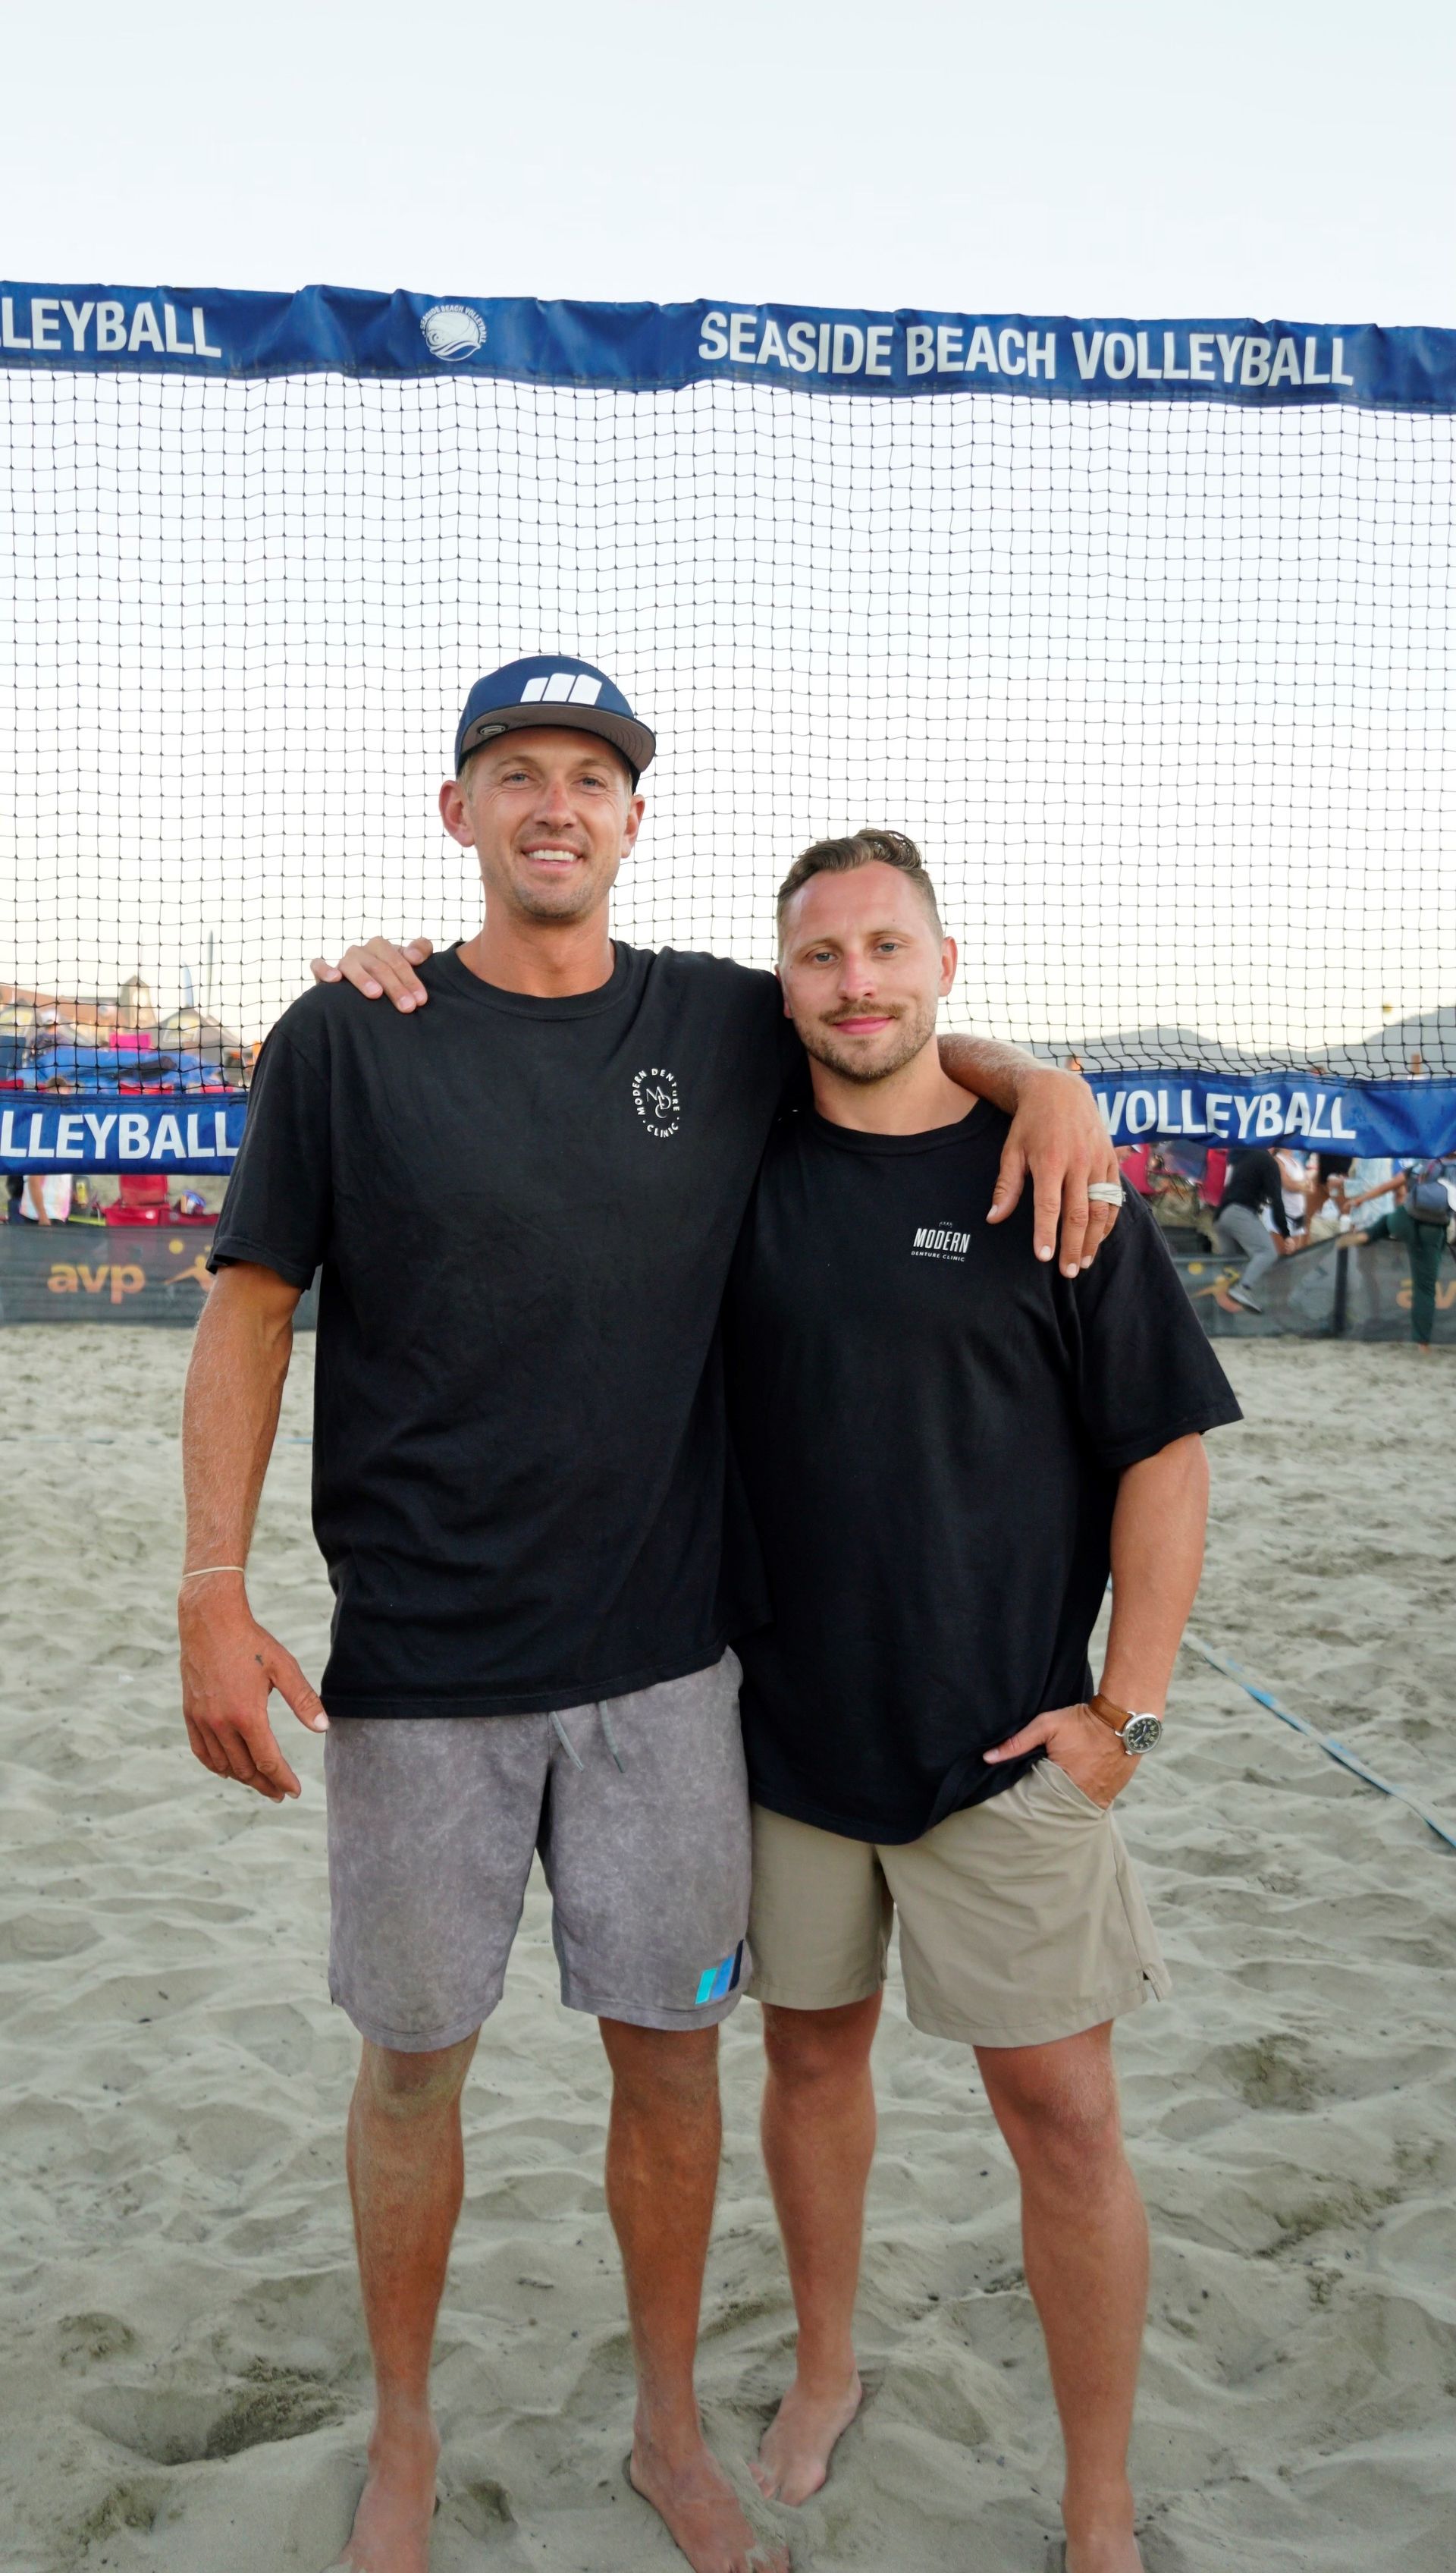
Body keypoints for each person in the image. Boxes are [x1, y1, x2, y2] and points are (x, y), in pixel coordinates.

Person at [180, 655, 1119, 2573]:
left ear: (631, 820)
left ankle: (672, 2431)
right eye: (515, 773)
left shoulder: (717, 1012)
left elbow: (899, 1041)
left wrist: (1055, 1082)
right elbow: (253, 1305)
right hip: (423, 1673)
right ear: (457, 812)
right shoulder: (346, 1036)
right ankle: (409, 2434)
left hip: (672, 1674)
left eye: (591, 777)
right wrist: (211, 1581)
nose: (556, 802)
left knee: (672, 2062)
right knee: (413, 2067)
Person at [723, 831, 1239, 2573]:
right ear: (782, 978)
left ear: (948, 958)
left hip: (1005, 1748)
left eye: (886, 946)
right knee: (808, 2063)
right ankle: (824, 2366)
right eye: (820, 957)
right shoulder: (738, 1161)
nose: (855, 982)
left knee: (1066, 2120)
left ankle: (1097, 2499)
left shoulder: (1057, 1180)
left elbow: (1161, 1453)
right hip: (783, 1741)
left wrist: (1128, 1711)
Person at [1346, 1168, 1452, 1351]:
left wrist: (1359, 1200)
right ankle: (1423, 1344)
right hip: (1434, 1227)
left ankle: (1367, 1235)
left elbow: (1389, 1186)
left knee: (1388, 1221)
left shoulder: (1424, 1161)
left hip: (1404, 1218)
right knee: (1424, 1289)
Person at [1211, 1142, 1301, 1314]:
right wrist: (1286, 1234)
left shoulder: (1244, 1156)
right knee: (1266, 1252)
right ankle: (1243, 1289)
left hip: (1222, 1216)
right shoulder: (1268, 1162)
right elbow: (1277, 1201)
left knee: (1233, 1266)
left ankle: (1221, 1313)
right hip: (1240, 1213)